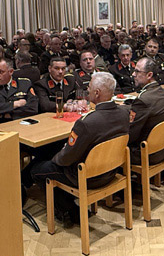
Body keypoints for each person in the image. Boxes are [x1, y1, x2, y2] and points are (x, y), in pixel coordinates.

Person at [29, 72, 129, 226]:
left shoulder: (86, 122)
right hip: (111, 171)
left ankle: (70, 210)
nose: (87, 90)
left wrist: (54, 158)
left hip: (87, 177)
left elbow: (66, 158)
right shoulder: (124, 113)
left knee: (36, 169)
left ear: (97, 93)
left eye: (89, 87)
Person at [127, 57, 164, 163]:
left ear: (149, 75)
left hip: (146, 154)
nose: (133, 74)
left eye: (137, 71)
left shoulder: (143, 99)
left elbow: (131, 134)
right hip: (163, 149)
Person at [0, 59, 38, 129]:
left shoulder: (24, 84)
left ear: (11, 71)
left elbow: (33, 108)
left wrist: (4, 114)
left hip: (21, 126)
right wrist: (15, 104)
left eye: (1, 72)